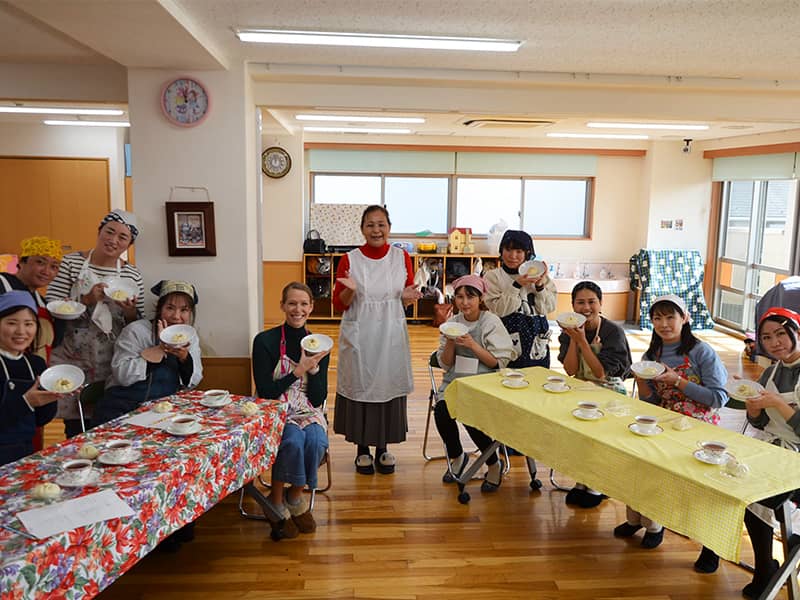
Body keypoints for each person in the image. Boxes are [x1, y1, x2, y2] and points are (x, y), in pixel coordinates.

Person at [615, 294, 728, 552]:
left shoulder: (702, 352)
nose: (664, 324)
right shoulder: (652, 353)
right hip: (664, 420)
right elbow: (652, 402)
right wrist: (642, 381)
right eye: (657, 318)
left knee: (689, 483)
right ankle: (639, 519)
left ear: (684, 318)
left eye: (670, 317)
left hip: (699, 426)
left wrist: (678, 381)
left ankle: (704, 544)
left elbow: (718, 398)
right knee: (637, 462)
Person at [332, 205, 421, 475]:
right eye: (370, 225)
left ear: (389, 228)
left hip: (390, 333)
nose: (376, 230)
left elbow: (403, 298)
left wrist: (407, 298)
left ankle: (383, 447)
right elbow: (340, 304)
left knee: (386, 384)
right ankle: (361, 449)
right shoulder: (349, 259)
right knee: (361, 383)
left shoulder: (401, 257)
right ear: (362, 229)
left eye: (381, 224)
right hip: (360, 333)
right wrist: (350, 291)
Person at [46, 210, 144, 437]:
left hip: (110, 355)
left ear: (129, 244)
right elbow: (52, 305)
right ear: (99, 232)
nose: (113, 240)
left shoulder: (132, 274)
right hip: (73, 351)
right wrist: (87, 300)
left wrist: (129, 312)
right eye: (109, 232)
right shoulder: (71, 263)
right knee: (76, 423)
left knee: (108, 418)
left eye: (123, 237)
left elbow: (135, 323)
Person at [246, 282, 331, 540]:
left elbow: (318, 398)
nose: (298, 309)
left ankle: (294, 495)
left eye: (304, 304)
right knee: (292, 441)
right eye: (292, 303)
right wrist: (298, 370)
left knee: (316, 441)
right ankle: (277, 497)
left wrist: (314, 371)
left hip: (306, 407)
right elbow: (267, 392)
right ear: (282, 306)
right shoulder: (265, 341)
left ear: (311, 308)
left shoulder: (320, 344)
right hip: (274, 407)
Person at [433, 274, 517, 491]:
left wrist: (472, 344)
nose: (465, 302)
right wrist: (451, 342)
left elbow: (496, 362)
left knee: (470, 414)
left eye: (470, 297)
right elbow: (445, 363)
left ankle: (493, 463)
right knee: (442, 411)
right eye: (459, 297)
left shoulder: (490, 321)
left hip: (484, 381)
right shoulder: (452, 323)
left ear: (481, 298)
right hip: (456, 381)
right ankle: (458, 456)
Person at [739, 307, 800, 598]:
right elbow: (760, 423)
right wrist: (754, 410)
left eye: (781, 334)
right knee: (739, 488)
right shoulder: (769, 372)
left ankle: (772, 565)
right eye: (766, 337)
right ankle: (765, 565)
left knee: (761, 495)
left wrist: (776, 403)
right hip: (775, 449)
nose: (775, 342)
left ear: (796, 331)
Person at [558, 280, 632, 508]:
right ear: (572, 305)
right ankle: (583, 481)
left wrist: (583, 342)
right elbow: (571, 370)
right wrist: (573, 340)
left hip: (609, 391)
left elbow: (601, 373)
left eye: (591, 302)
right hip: (581, 387)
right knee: (575, 434)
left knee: (596, 436)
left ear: (601, 304)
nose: (586, 308)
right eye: (580, 302)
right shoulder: (568, 330)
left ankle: (597, 485)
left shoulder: (612, 332)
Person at [92, 280, 202, 426]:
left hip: (161, 413)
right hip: (122, 410)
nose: (176, 316)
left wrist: (184, 359)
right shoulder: (136, 330)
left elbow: (194, 381)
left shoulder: (189, 336)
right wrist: (158, 350)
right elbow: (123, 376)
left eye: (184, 310)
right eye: (170, 308)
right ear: (159, 308)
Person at [0, 291, 60, 465]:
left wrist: (52, 396)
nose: (21, 331)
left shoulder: (35, 363)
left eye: (28, 324)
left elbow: (41, 419)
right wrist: (26, 401)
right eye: (11, 323)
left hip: (26, 452)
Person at [483, 229, 556, 369]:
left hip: (536, 340)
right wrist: (517, 285)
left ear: (527, 254)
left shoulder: (540, 275)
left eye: (518, 251)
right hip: (503, 338)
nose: (512, 256)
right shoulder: (492, 276)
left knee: (537, 378)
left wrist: (540, 286)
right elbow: (499, 310)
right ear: (501, 251)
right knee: (503, 379)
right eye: (508, 250)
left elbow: (548, 308)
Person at [0, 236, 62, 362]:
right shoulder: (2, 283)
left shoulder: (43, 303)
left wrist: (62, 315)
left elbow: (53, 343)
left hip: (31, 371)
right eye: (40, 262)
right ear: (22, 262)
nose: (46, 271)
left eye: (54, 267)